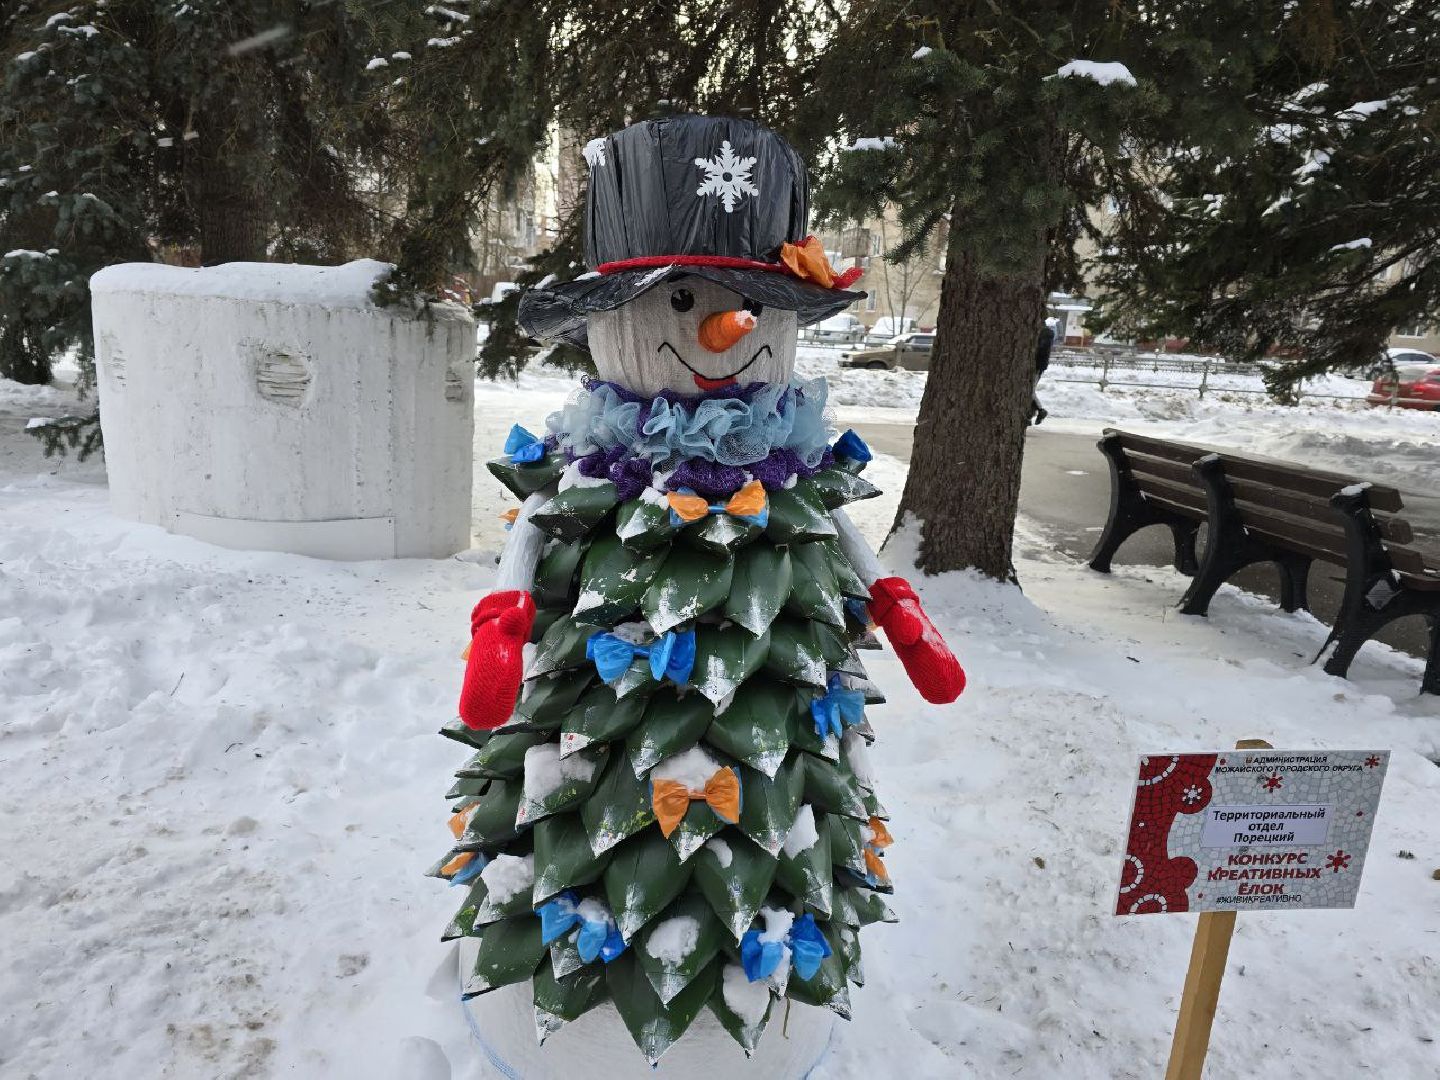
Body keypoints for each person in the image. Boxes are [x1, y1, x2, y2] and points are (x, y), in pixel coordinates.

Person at [1032, 317, 1057, 425]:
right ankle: (1035, 412)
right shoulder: (1046, 334)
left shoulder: (1045, 334)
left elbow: (1041, 349)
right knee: (1030, 390)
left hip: (1038, 365)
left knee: (1030, 391)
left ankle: (1040, 410)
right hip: (1039, 365)